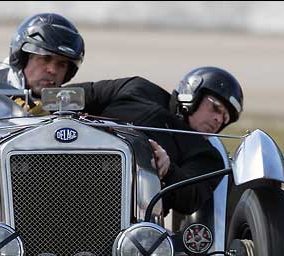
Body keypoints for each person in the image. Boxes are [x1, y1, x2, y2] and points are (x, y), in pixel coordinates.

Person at [72, 67, 244, 215]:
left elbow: (191, 198)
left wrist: (168, 169)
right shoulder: (137, 87)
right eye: (216, 108)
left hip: (128, 218)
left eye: (225, 118)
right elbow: (78, 96)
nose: (219, 120)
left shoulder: (207, 156)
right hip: (71, 174)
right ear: (192, 93)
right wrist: (45, 101)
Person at [0, 13, 86, 115]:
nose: (53, 70)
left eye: (62, 64)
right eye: (45, 59)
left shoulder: (68, 103)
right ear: (22, 60)